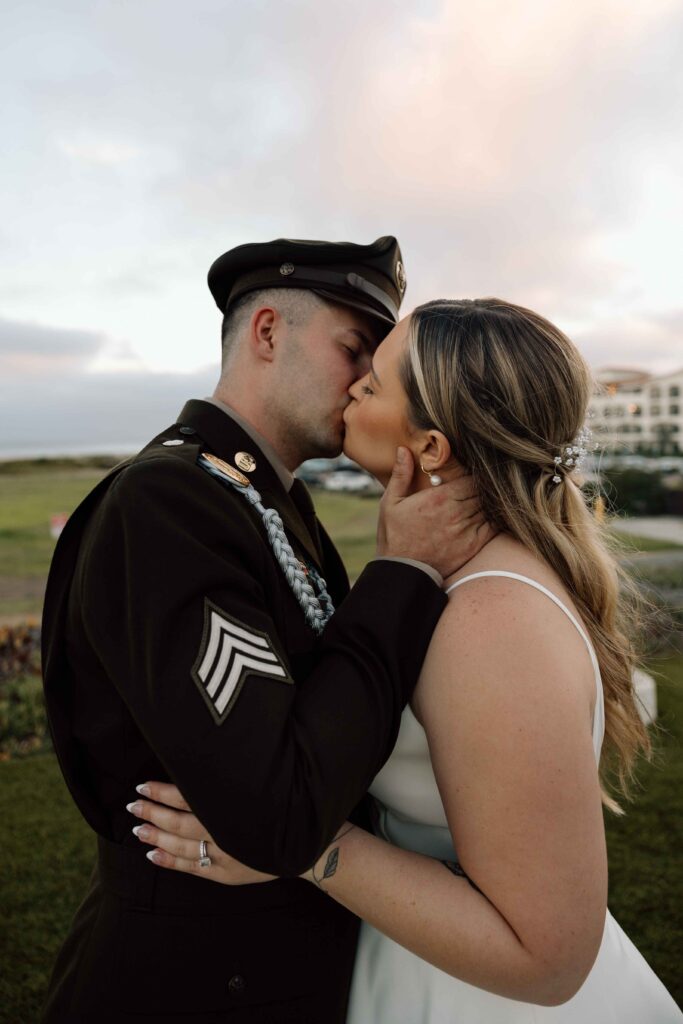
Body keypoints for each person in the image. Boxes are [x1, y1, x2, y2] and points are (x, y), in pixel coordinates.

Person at [132, 299, 682, 1022]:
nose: (354, 383)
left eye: (377, 378)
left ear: (428, 448)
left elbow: (549, 959)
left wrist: (302, 849)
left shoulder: (491, 619)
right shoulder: (456, 578)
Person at [40, 239, 493, 1023]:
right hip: (191, 984)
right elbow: (279, 813)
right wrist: (402, 574)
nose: (365, 385)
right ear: (268, 332)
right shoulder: (168, 503)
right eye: (355, 348)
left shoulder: (272, 503)